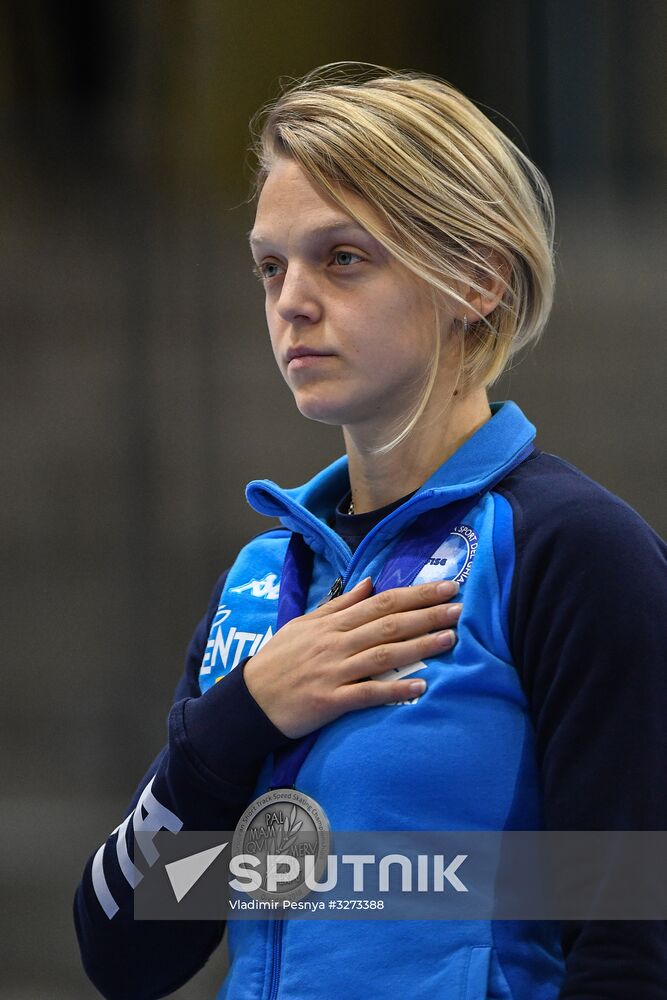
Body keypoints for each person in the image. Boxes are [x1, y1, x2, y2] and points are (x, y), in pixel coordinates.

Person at [74, 63, 667, 999]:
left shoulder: (575, 553)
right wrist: (242, 716)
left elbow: (631, 943)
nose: (291, 302)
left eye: (341, 258)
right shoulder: (265, 577)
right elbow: (126, 947)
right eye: (272, 265)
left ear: (476, 277)